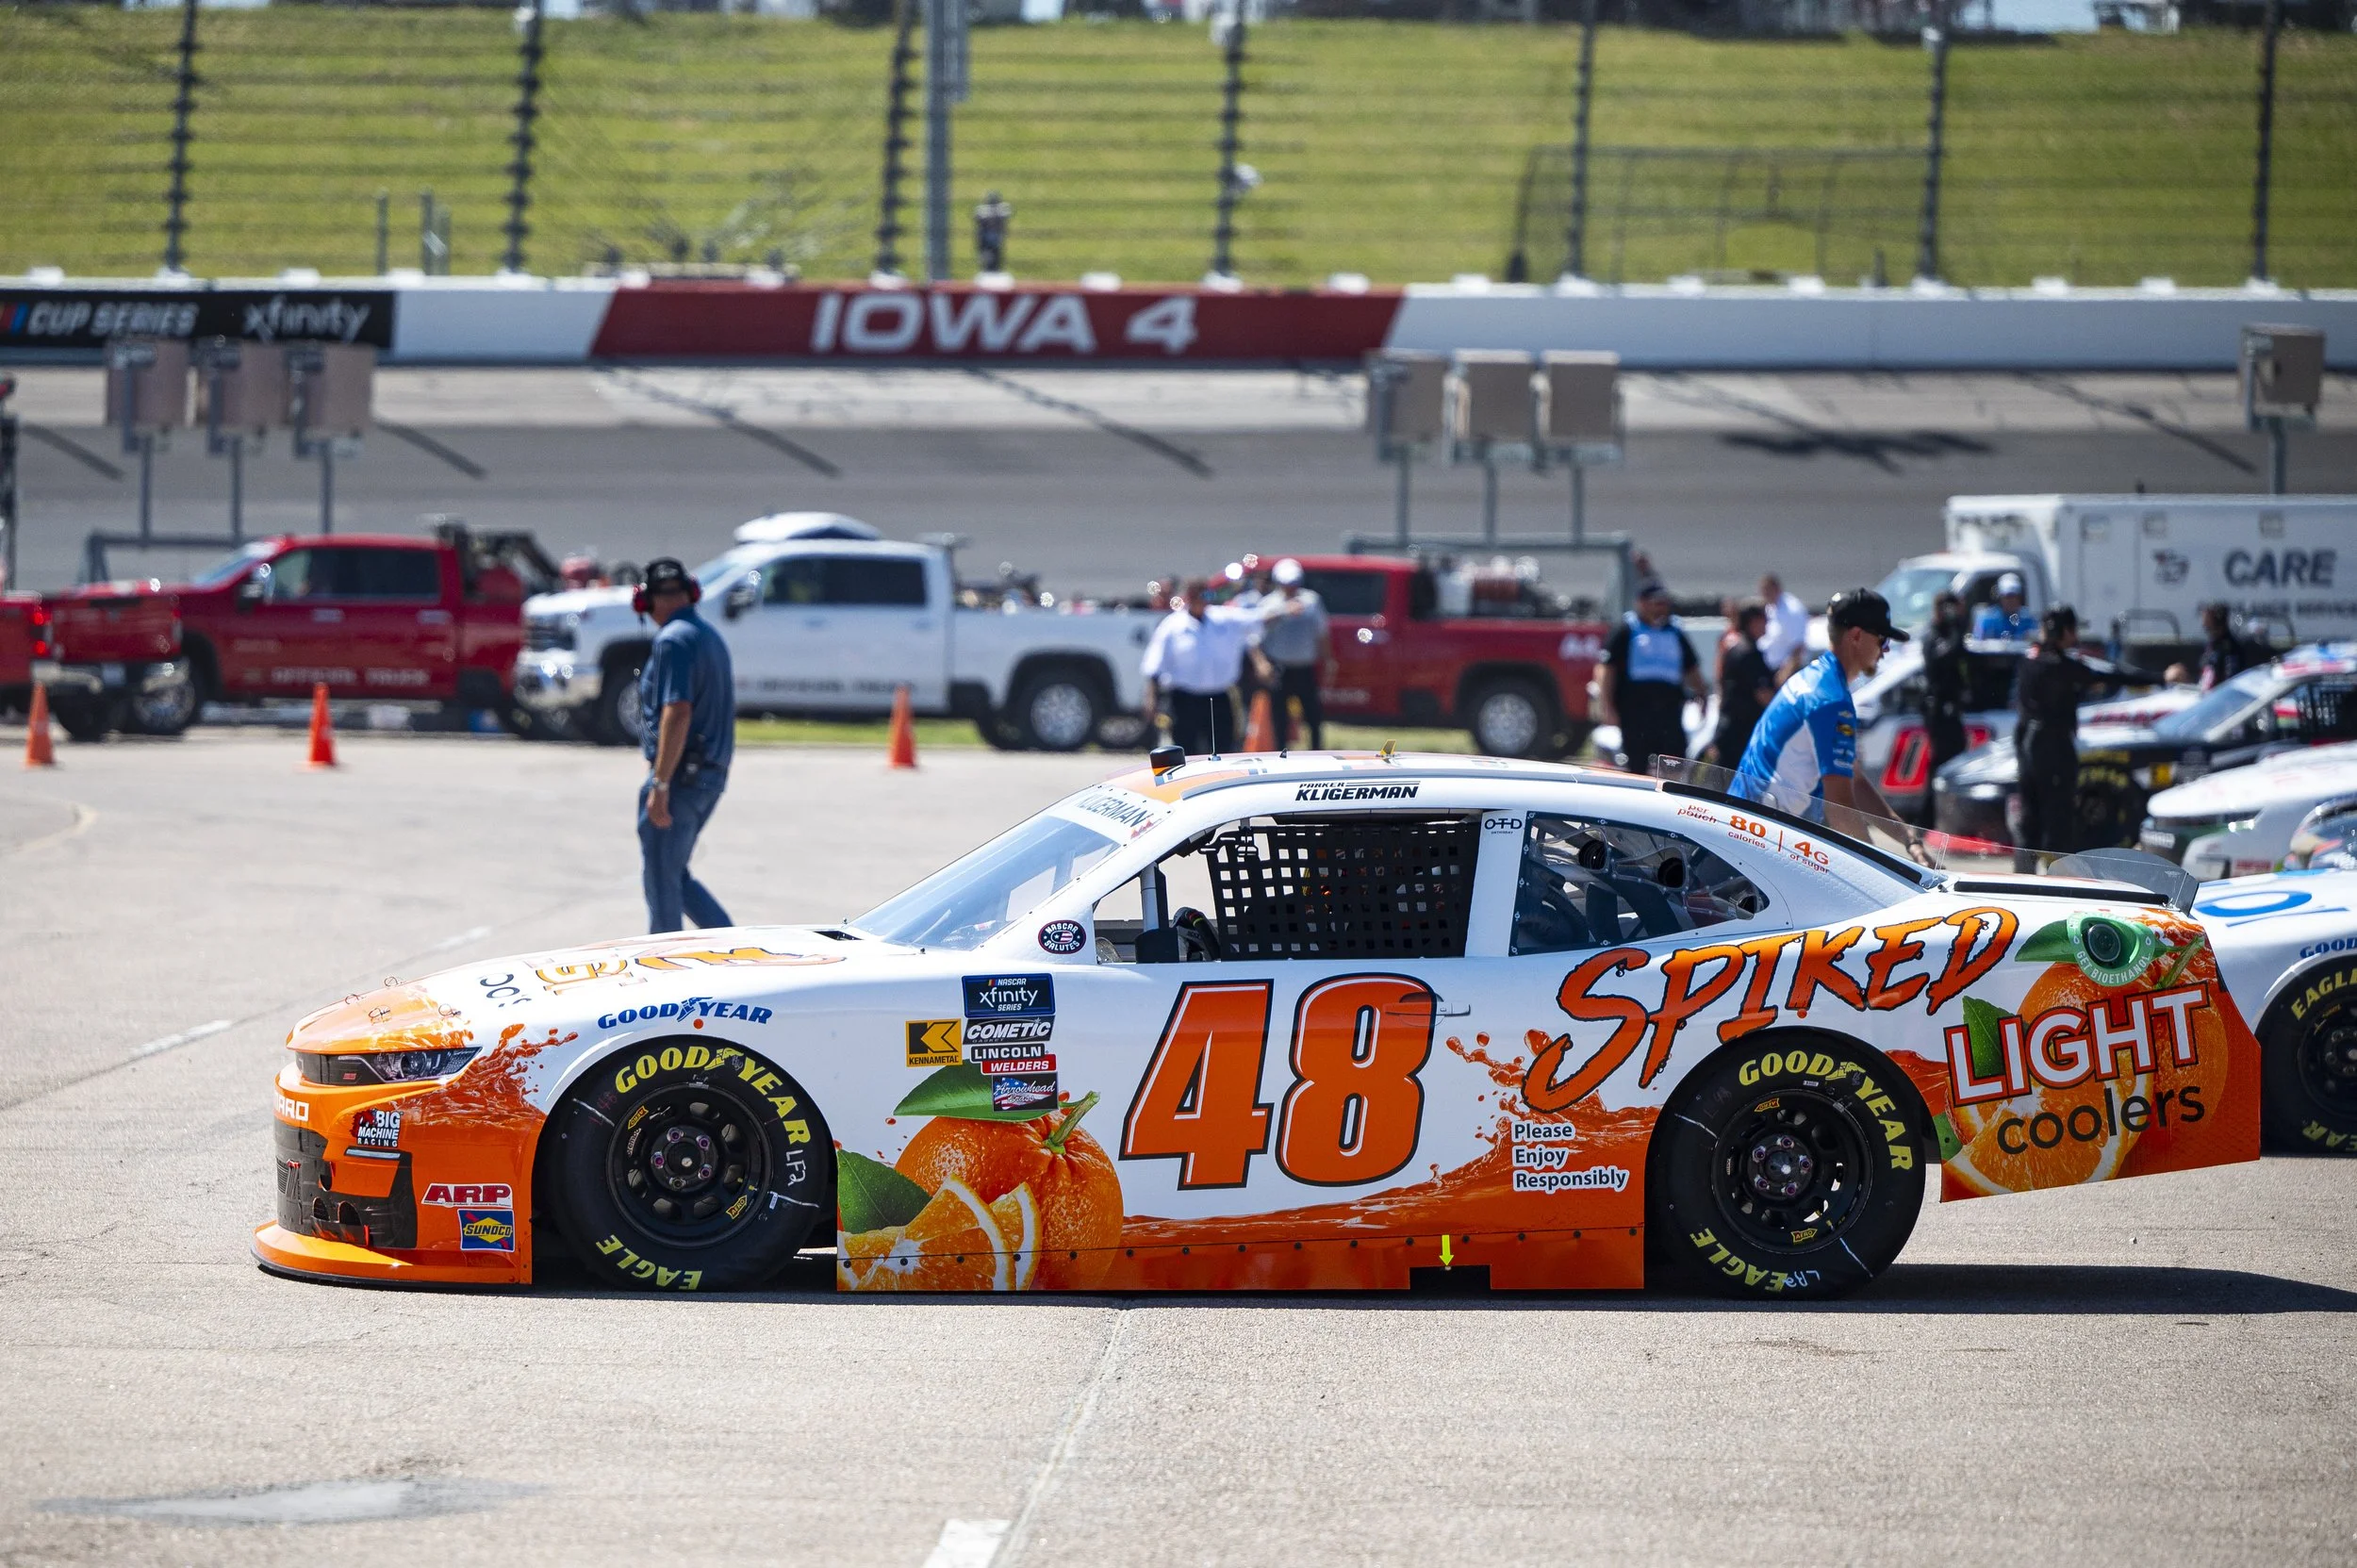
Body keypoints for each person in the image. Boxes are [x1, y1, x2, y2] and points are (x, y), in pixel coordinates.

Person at [1732, 586, 1913, 835]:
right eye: (1883, 639)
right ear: (1856, 636)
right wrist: (1874, 860)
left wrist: (1908, 839)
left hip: (1746, 823)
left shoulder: (1813, 677)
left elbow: (1855, 779)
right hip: (1757, 833)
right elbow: (1841, 810)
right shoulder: (1832, 701)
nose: (1886, 649)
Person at [635, 557, 736, 933]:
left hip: (679, 781)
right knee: (675, 876)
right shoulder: (708, 636)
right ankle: (730, 945)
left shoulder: (673, 640)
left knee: (662, 884)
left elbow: (677, 711)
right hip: (707, 778)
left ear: (647, 601)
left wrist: (660, 784)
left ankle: (662, 963)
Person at [2014, 603, 2107, 866]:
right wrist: (2160, 677)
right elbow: (2106, 676)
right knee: (2058, 818)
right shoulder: (2058, 666)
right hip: (2052, 748)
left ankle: (2022, 875)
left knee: (2030, 817)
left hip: (2028, 746)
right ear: (2063, 631)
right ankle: (2057, 875)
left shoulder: (2030, 659)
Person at [1142, 579, 1271, 755]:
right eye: (1198, 596)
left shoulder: (1224, 619)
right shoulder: (1173, 625)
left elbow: (1255, 620)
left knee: (1223, 749)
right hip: (1185, 698)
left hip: (1219, 697)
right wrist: (1151, 698)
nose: (1203, 600)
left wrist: (1286, 609)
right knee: (1187, 749)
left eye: (1207, 595)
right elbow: (1154, 664)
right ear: (1189, 597)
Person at [1598, 580, 1705, 774]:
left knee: (1674, 762)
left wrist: (1702, 694)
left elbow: (1691, 667)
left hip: (1669, 710)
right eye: (1656, 603)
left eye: (1663, 603)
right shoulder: (1626, 630)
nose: (1661, 608)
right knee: (1637, 763)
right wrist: (1607, 706)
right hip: (1636, 710)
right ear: (1642, 603)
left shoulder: (1675, 631)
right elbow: (1607, 669)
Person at [1257, 558, 1332, 751]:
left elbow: (1322, 632)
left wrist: (1328, 660)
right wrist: (1262, 663)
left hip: (1304, 667)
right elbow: (1256, 634)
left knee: (1313, 714)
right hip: (1279, 667)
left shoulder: (1311, 600)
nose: (1291, 588)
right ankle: (1280, 751)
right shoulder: (1269, 603)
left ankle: (1316, 751)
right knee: (1279, 716)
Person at [1710, 598, 1774, 769]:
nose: (1767, 624)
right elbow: (1764, 695)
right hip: (1739, 734)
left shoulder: (1738, 648)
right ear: (1753, 621)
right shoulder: (1747, 653)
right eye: (1764, 619)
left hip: (1734, 730)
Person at [1920, 589, 1973, 784]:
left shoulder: (1951, 633)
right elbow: (1943, 656)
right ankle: (1932, 802)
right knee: (1943, 759)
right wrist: (1957, 629)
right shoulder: (1933, 635)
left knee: (1957, 755)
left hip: (1953, 706)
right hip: (1939, 708)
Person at [2198, 602, 2267, 690]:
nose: (2204, 624)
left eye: (2207, 620)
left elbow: (2231, 677)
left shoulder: (2230, 648)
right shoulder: (2212, 645)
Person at [1757, 572, 1809, 680]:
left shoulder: (1792, 610)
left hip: (1787, 672)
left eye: (1767, 590)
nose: (1764, 594)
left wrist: (1785, 673)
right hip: (1769, 669)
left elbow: (1799, 646)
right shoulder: (1770, 607)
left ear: (1776, 588)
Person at [1972, 573, 2035, 641]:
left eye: (2014, 596)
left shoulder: (2029, 618)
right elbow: (1978, 641)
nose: (2011, 601)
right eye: (2007, 597)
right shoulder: (1987, 619)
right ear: (2000, 598)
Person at [974, 190, 1013, 274]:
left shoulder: (1001, 209)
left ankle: (994, 268)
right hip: (985, 236)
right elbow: (979, 221)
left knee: (996, 253)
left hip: (995, 236)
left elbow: (1004, 221)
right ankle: (988, 268)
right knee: (987, 253)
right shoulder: (983, 210)